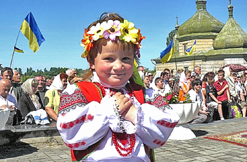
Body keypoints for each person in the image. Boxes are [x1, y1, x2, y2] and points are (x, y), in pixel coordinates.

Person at [56, 13, 179, 161]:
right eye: (109, 58)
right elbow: (72, 136)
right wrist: (109, 110)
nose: (119, 66)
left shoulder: (144, 94)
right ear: (91, 61)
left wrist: (134, 113)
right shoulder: (78, 91)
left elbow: (163, 131)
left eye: (126, 58)